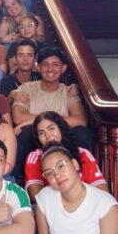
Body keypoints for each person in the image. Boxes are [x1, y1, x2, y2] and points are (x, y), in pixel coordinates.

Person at [11, 46, 91, 179]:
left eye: (55, 65)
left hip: (63, 140)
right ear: (38, 67)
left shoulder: (69, 92)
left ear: (63, 68)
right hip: (35, 140)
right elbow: (18, 117)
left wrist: (35, 120)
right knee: (25, 132)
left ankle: (82, 176)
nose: (50, 69)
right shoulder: (26, 88)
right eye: (45, 65)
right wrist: (54, 121)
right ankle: (24, 179)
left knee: (82, 133)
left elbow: (80, 120)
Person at [25, 112, 106, 203]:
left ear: (61, 128)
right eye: (41, 133)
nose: (47, 135)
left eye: (51, 128)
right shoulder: (35, 158)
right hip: (53, 209)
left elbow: (102, 192)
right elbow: (36, 196)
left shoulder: (83, 154)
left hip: (86, 206)